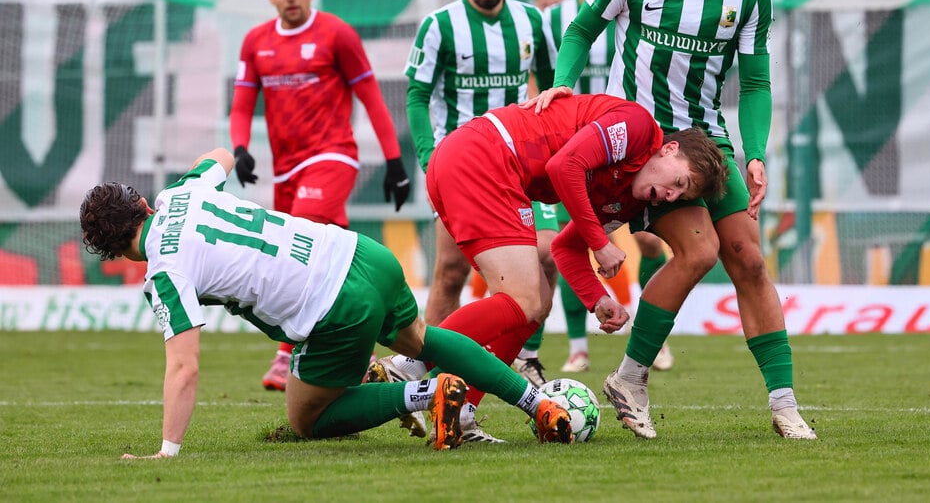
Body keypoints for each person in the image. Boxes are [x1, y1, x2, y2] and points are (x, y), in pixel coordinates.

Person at [531, 0, 817, 440]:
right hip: (638, 141)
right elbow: (582, 29)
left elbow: (755, 83)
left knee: (750, 260)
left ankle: (784, 404)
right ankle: (631, 377)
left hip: (707, 142)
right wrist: (563, 85)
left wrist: (755, 154)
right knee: (700, 250)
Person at [78, 149, 573, 459]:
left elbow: (183, 368)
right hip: (362, 254)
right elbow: (220, 155)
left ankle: (427, 395)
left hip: (334, 305)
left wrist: (168, 452)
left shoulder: (164, 270)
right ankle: (539, 404)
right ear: (143, 203)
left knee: (306, 419)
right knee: (421, 339)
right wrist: (222, 166)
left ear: (114, 253)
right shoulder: (182, 191)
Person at [373, 94, 727, 439]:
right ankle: (408, 366)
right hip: (485, 155)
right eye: (679, 183)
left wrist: (597, 299)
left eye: (680, 196)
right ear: (669, 150)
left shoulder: (624, 196)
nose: (670, 196)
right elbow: (564, 165)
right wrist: (601, 245)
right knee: (525, 299)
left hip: (481, 165)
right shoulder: (638, 127)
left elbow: (566, 247)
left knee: (535, 304)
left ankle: (461, 412)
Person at [399, 0, 560, 440]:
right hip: (464, 169)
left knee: (545, 261)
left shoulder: (532, 22)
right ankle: (422, 370)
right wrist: (428, 159)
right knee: (449, 271)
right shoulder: (440, 26)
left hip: (519, 166)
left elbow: (552, 87)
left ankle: (517, 360)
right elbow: (417, 97)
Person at [229, 0, 412, 392]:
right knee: (335, 253)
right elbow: (240, 105)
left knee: (301, 233)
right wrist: (239, 148)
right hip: (287, 167)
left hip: (333, 157)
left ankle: (284, 354)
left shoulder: (336, 34)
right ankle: (365, 341)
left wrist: (393, 161)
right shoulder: (256, 42)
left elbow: (369, 96)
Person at [546, 0, 674, 374]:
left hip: (622, 143)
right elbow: (542, 79)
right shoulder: (556, 19)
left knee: (649, 238)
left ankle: (651, 337)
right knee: (571, 238)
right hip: (572, 147)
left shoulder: (633, 8)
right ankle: (578, 345)